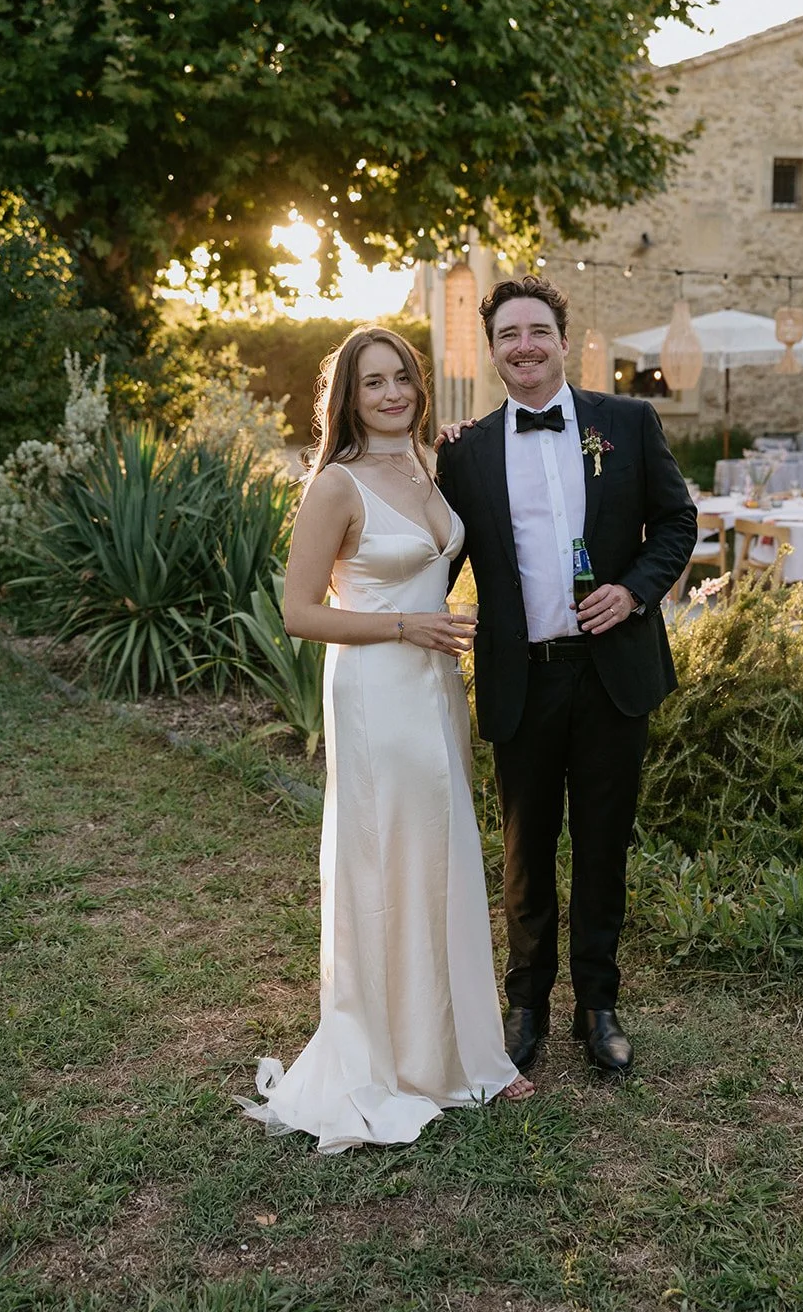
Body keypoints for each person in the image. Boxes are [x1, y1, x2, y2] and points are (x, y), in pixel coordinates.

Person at [236, 327, 532, 1155]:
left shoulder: (430, 466)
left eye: (401, 377)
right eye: (374, 383)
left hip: (436, 690)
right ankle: (394, 1060)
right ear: (350, 398)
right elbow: (300, 612)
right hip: (377, 690)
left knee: (445, 856)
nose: (392, 393)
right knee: (392, 856)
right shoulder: (336, 484)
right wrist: (406, 624)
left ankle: (463, 1053)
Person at [437, 277, 697, 1076]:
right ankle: (525, 1009)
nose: (525, 345)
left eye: (538, 330)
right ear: (493, 351)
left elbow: (678, 521)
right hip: (525, 676)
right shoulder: (465, 450)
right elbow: (432, 555)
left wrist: (635, 588)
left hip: (615, 672)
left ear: (562, 338)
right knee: (525, 849)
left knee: (604, 846)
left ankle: (599, 1005)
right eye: (509, 333)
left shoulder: (627, 421)